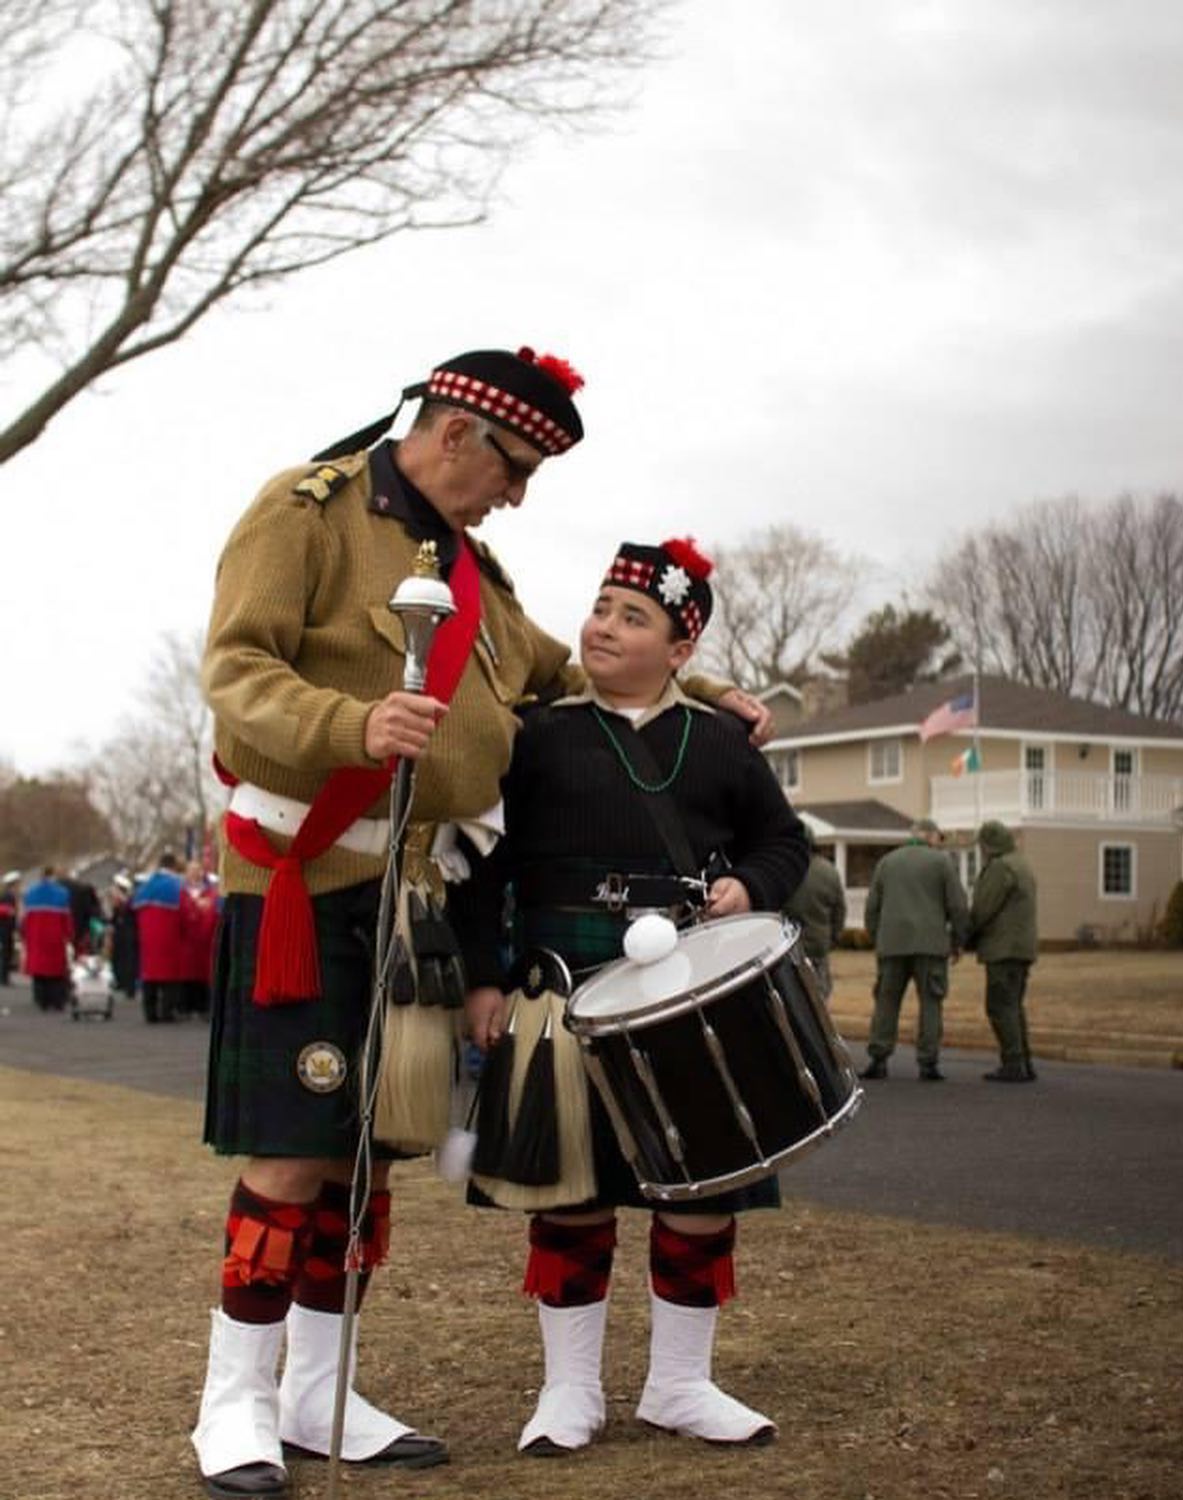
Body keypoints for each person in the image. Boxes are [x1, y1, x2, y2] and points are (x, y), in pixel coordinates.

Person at [193, 347, 772, 1499]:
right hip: (305, 877)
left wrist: (704, 696)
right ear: (455, 432)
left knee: (371, 1149)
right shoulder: (303, 511)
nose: (516, 495)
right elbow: (236, 669)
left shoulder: (474, 574)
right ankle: (235, 1401)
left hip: (410, 896)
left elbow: (563, 672)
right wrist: (350, 727)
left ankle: (318, 1388)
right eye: (513, 468)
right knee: (293, 1149)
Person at [459, 536, 809, 1456]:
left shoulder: (724, 744)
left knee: (701, 1194)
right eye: (603, 607)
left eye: (633, 616)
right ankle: (568, 1392)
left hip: (690, 996)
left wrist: (750, 888)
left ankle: (680, 1385)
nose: (604, 626)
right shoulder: (535, 735)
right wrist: (483, 977)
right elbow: (479, 869)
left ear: (680, 649)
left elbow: (785, 843)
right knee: (570, 1194)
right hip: (558, 985)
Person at [860, 818, 968, 1082]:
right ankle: (928, 1062)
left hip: (892, 944)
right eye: (937, 838)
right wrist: (958, 940)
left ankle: (879, 1057)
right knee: (931, 1002)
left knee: (886, 1002)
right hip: (931, 945)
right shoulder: (941, 863)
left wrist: (879, 937)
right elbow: (957, 905)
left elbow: (872, 906)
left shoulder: (887, 862)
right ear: (930, 836)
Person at [967, 820, 1039, 1083]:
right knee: (1014, 1005)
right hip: (1022, 948)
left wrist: (965, 936)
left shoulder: (1000, 867)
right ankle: (1024, 1060)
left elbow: (984, 908)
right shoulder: (1022, 863)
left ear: (989, 845)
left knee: (999, 1006)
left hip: (1003, 949)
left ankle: (1013, 1063)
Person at [782, 820, 846, 1001]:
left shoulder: (784, 869)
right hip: (819, 943)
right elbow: (839, 910)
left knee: (793, 996)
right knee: (819, 996)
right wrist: (833, 937)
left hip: (789, 946)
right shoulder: (829, 871)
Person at [133, 851, 185, 1024]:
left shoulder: (145, 886)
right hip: (169, 936)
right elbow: (184, 912)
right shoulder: (177, 885)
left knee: (149, 974)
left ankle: (150, 1013)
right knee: (169, 975)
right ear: (173, 866)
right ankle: (167, 1012)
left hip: (148, 936)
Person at [20, 866, 73, 1011]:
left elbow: (25, 920)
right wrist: (69, 935)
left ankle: (41, 1000)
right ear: (52, 875)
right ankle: (56, 1001)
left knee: (39, 971)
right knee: (55, 971)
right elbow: (66, 919)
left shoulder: (30, 894)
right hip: (55, 938)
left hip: (36, 938)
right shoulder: (62, 894)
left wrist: (24, 935)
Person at [180, 860, 221, 1018]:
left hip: (205, 940)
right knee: (187, 974)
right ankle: (186, 1007)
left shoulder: (210, 892)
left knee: (203, 975)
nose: (195, 873)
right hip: (187, 941)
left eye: (198, 870)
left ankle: (202, 1007)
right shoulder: (182, 892)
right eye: (191, 870)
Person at [107, 874, 140, 1000]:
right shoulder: (118, 902)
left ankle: (129, 985)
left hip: (130, 932)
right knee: (119, 957)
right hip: (120, 932)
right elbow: (113, 918)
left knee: (129, 960)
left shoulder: (130, 900)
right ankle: (121, 982)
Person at [0, 871, 19, 986]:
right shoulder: (8, 895)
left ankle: (4, 976)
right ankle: (4, 977)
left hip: (4, 927)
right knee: (7, 952)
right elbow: (9, 912)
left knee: (6, 952)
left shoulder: (5, 894)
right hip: (6, 927)